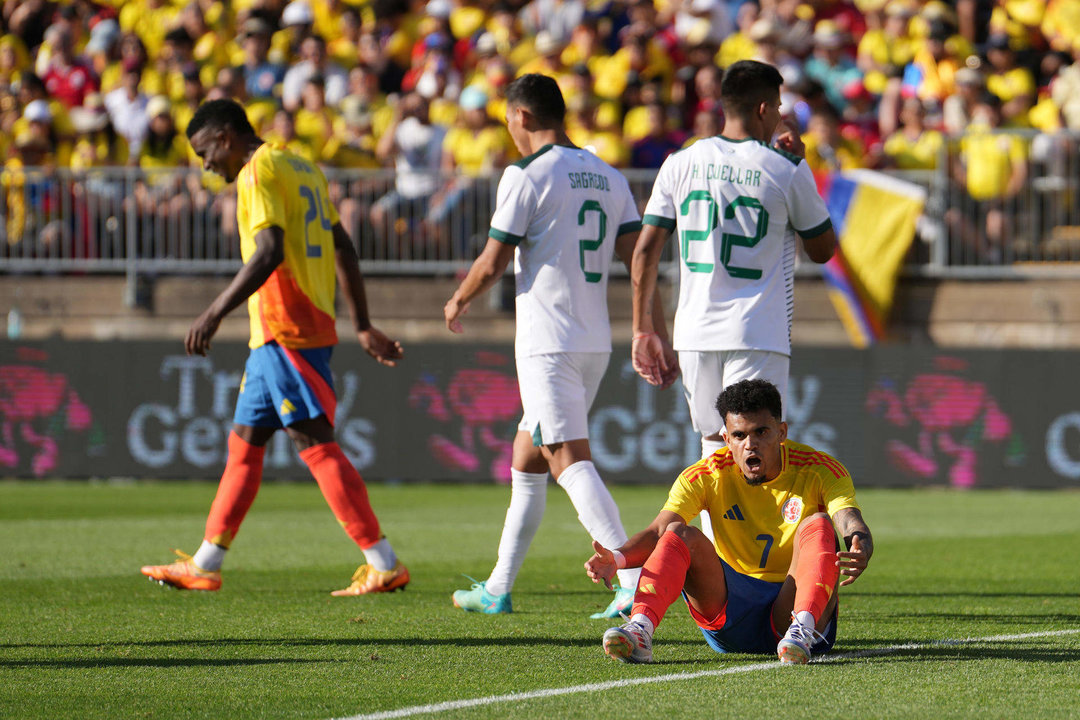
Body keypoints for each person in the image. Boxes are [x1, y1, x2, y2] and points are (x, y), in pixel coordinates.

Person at [140, 98, 409, 597]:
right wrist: (363, 324)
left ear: (225, 138)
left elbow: (269, 251)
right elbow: (343, 246)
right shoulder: (302, 167)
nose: (205, 165)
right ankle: (206, 562)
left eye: (205, 152)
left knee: (315, 444)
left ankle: (383, 562)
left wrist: (212, 312)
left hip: (288, 329)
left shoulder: (256, 173)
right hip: (275, 335)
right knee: (243, 448)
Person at [443, 73, 677, 618]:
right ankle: (498, 588)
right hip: (594, 340)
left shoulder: (525, 175)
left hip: (547, 342)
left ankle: (633, 577)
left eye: (507, 121)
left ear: (521, 116)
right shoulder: (609, 175)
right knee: (527, 457)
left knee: (566, 456)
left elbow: (494, 260)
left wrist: (459, 300)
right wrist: (651, 329)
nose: (509, 132)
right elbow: (639, 261)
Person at [630, 60, 836, 541]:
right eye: (779, 108)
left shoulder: (680, 162)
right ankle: (742, 568)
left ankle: (712, 568)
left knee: (712, 446)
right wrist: (802, 163)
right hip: (756, 327)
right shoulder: (784, 168)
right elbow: (824, 250)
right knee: (758, 448)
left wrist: (644, 328)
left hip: (695, 329)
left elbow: (644, 250)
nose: (781, 117)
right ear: (764, 108)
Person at [586, 379, 873, 664]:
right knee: (678, 532)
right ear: (726, 440)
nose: (751, 445)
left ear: (781, 432)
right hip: (731, 613)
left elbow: (848, 518)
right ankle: (639, 630)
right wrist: (618, 558)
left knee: (820, 523)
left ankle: (802, 631)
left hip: (792, 606)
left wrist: (859, 541)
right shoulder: (707, 474)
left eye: (761, 432)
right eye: (739, 435)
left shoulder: (818, 468)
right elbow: (658, 531)